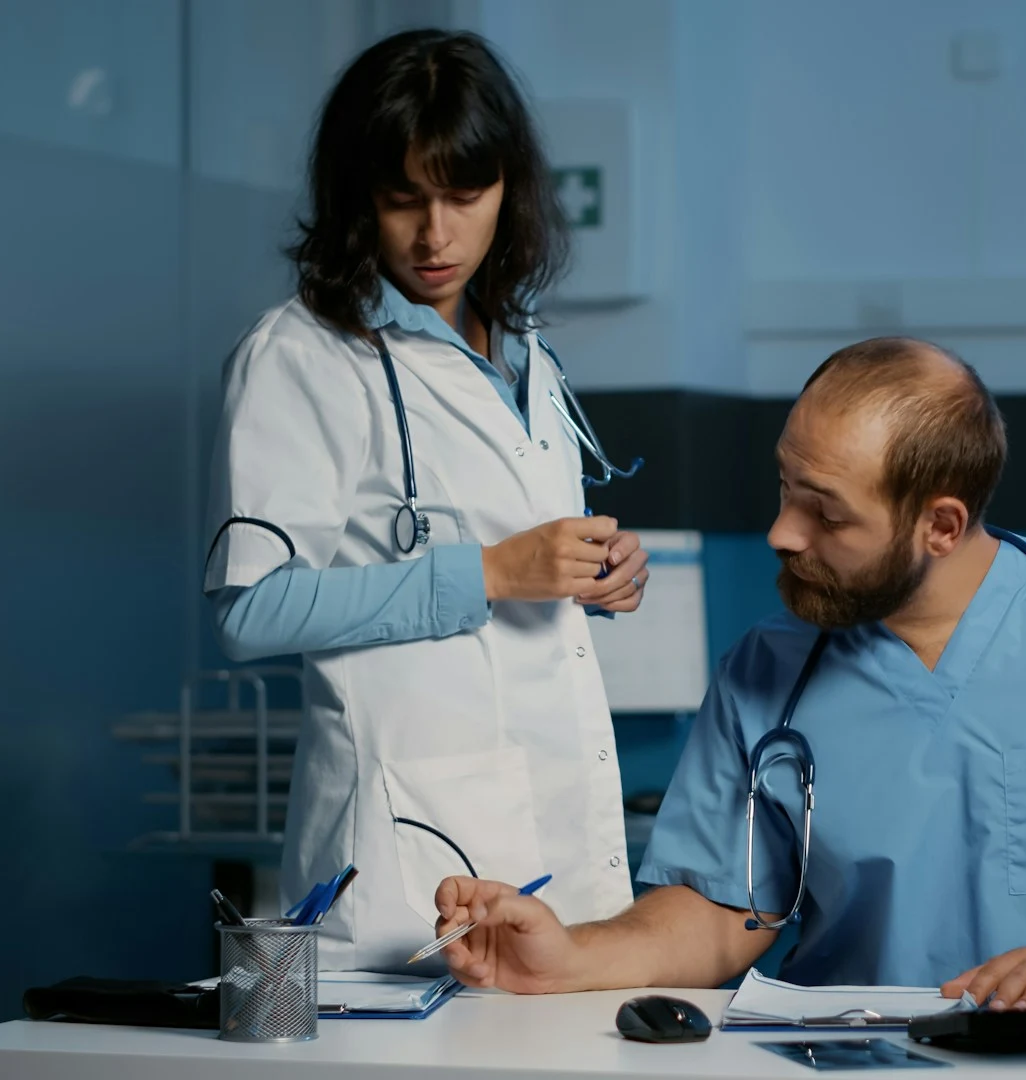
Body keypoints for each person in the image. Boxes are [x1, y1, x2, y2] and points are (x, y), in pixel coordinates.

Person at [429, 337, 1026, 1007]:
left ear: (940, 525)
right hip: (845, 1054)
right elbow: (725, 909)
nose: (782, 534)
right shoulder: (769, 666)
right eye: (785, 487)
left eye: (826, 511)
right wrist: (571, 958)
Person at [201, 30, 649, 971]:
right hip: (411, 861)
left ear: (509, 192)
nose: (434, 235)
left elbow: (520, 590)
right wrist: (489, 572)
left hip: (562, 842)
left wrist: (593, 576)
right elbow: (250, 607)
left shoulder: (524, 353)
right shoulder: (303, 355)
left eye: (464, 196)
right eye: (403, 199)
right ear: (357, 197)